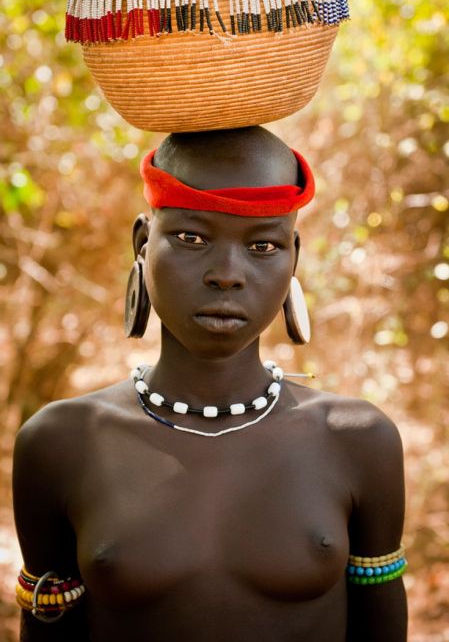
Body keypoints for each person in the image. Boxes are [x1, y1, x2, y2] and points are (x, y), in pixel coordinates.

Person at [12, 126, 407, 641]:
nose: (226, 273)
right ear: (142, 243)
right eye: (191, 238)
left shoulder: (358, 440)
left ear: (294, 258)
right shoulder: (61, 443)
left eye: (263, 244)